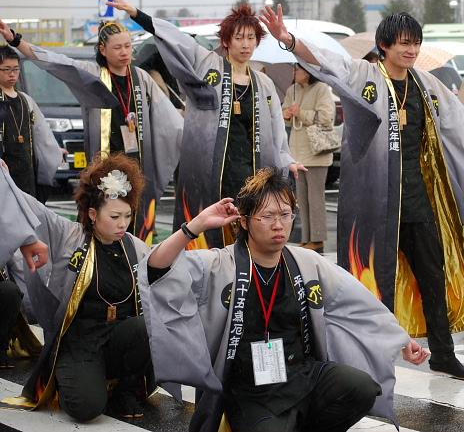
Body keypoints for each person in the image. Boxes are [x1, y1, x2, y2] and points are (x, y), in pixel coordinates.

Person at [261, 7, 464, 381]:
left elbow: (458, 117)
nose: (411, 50)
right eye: (404, 43)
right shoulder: (364, 75)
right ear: (384, 45)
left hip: (418, 200)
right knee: (373, 281)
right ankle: (371, 356)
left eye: (416, 43)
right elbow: (326, 62)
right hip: (375, 202)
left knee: (432, 278)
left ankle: (443, 353)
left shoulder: (425, 84)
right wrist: (288, 39)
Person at [139, 168, 429, 432]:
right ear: (244, 221)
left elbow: (358, 305)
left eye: (285, 214)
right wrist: (196, 226)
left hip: (301, 373)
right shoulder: (219, 265)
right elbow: (158, 268)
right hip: (250, 388)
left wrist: (401, 341)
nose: (279, 224)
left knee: (361, 388)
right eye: (267, 216)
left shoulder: (307, 263)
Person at [100, 0, 301, 249]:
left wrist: (288, 161)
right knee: (208, 237)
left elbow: (276, 131)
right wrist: (136, 13)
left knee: (246, 235)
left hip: (249, 172)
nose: (245, 44)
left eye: (251, 38)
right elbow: (175, 39)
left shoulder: (263, 83)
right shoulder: (208, 66)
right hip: (209, 173)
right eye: (239, 38)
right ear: (226, 41)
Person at [0, 18, 183, 244]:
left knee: (135, 228)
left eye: (128, 46)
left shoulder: (141, 78)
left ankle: (135, 272)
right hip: (103, 167)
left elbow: (170, 121)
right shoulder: (92, 75)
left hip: (136, 166)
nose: (124, 52)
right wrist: (16, 41)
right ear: (102, 49)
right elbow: (57, 63)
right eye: (117, 47)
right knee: (99, 228)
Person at [0, 153, 153, 421]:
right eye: (115, 216)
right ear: (93, 214)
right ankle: (74, 375)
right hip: (78, 342)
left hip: (117, 337)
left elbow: (165, 263)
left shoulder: (134, 246)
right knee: (86, 407)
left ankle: (122, 388)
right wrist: (4, 180)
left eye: (128, 215)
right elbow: (29, 206)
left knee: (145, 328)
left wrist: (195, 227)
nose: (122, 224)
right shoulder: (68, 235)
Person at [282, 64, 335, 252]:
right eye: (294, 69)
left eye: (298, 70)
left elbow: (327, 118)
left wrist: (301, 113)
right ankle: (307, 238)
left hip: (316, 153)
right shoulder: (292, 90)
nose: (294, 73)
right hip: (297, 154)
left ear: (309, 72)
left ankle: (318, 239)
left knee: (315, 198)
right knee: (302, 199)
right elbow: (283, 114)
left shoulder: (321, 89)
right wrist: (287, 114)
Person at [0, 46, 62, 201]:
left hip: (27, 171)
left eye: (15, 69)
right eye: (6, 69)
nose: (12, 74)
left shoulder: (26, 100)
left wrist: (54, 151)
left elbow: (42, 134)